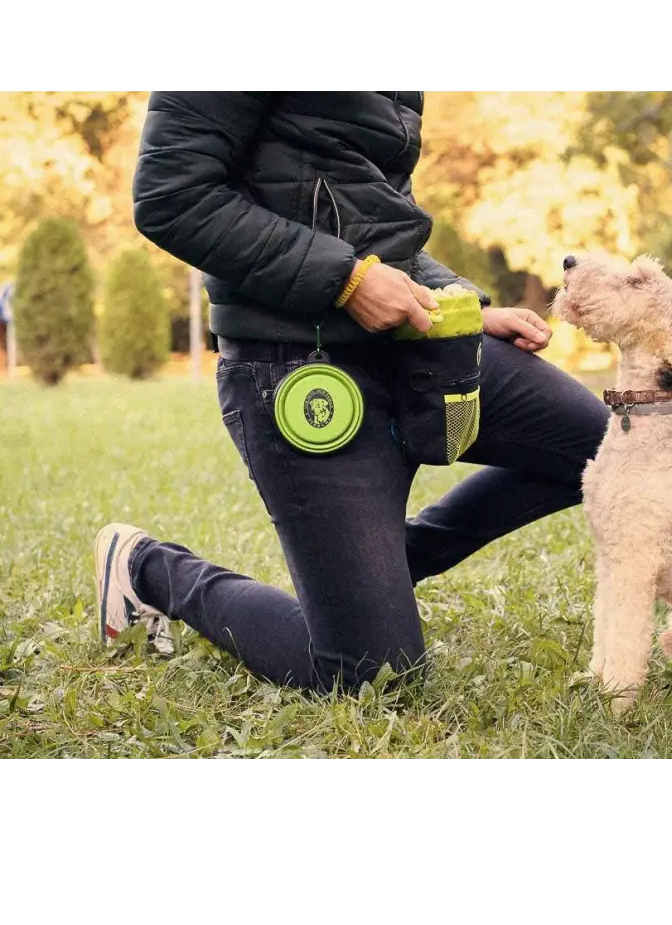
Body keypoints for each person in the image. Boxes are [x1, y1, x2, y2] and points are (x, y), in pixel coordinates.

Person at [95, 85, 610, 694]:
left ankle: (371, 578)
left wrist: (457, 304)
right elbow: (172, 198)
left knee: (607, 450)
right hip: (296, 364)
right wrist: (345, 280)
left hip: (413, 343)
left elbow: (373, 215)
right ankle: (145, 568)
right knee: (372, 679)